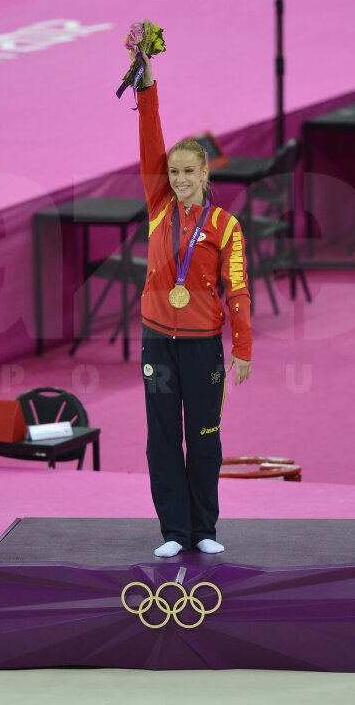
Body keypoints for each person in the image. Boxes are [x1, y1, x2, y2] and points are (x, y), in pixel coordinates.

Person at [135, 53, 253, 558]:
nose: (179, 178)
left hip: (204, 348)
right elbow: (150, 136)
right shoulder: (159, 206)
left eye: (188, 171)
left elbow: (239, 291)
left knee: (204, 438)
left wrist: (242, 348)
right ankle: (174, 532)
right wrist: (146, 79)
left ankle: (204, 526)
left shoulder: (226, 227)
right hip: (158, 343)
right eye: (174, 171)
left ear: (205, 173)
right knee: (163, 439)